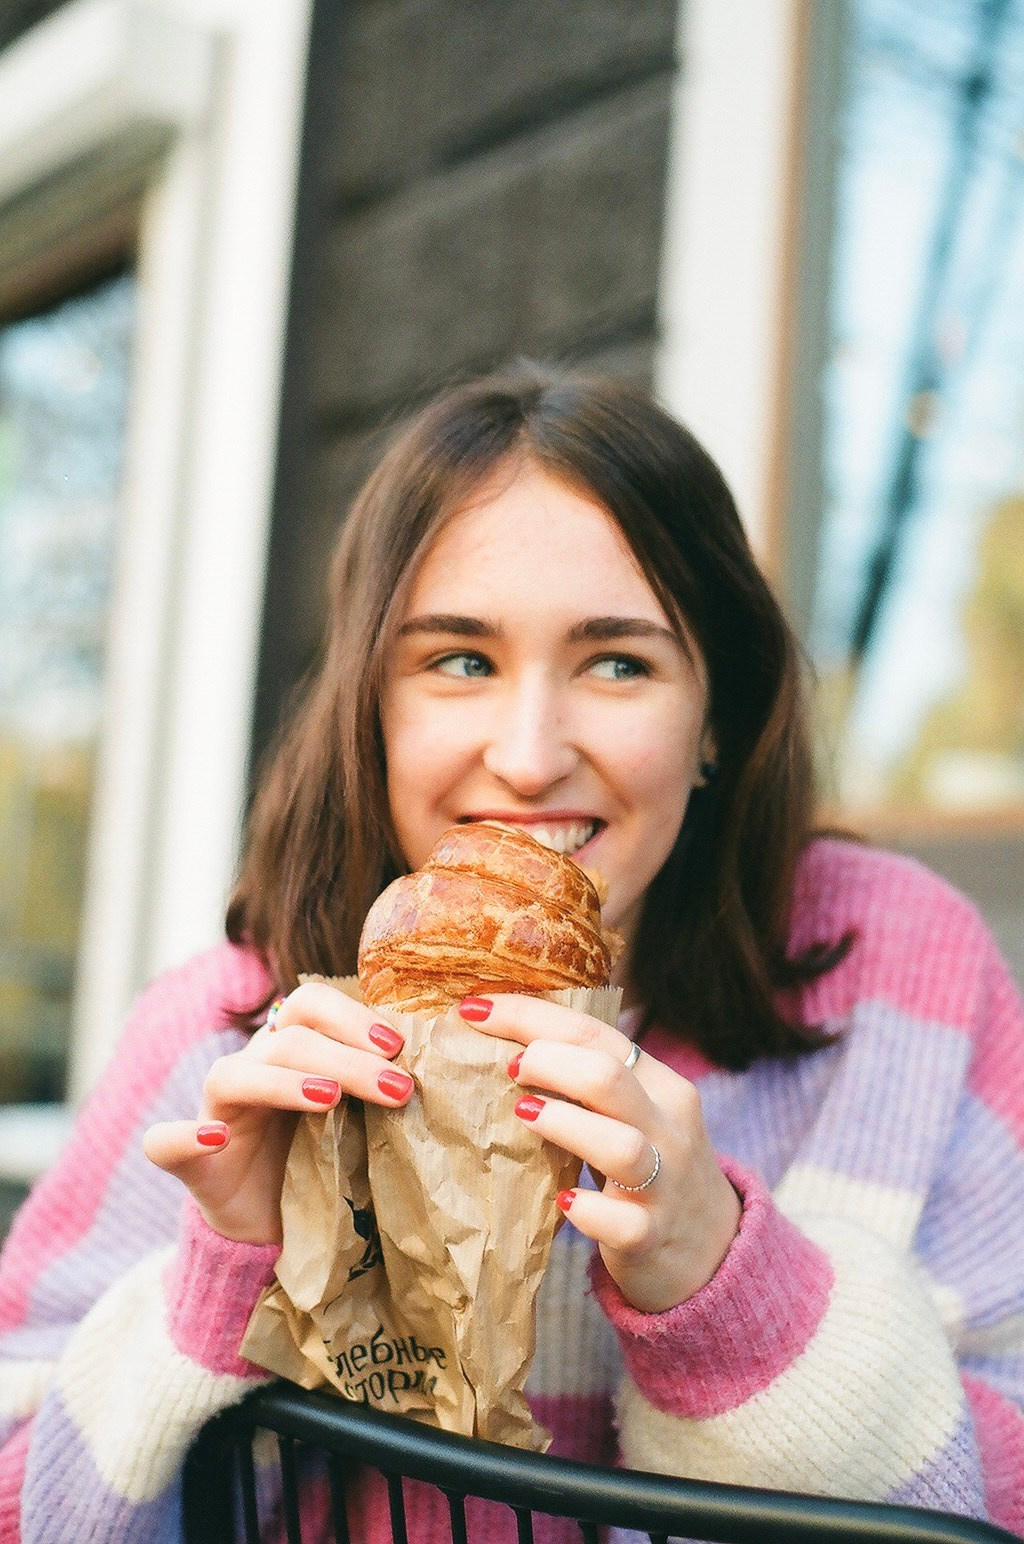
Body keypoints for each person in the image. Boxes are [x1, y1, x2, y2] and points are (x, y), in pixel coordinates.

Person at [0, 367, 1021, 1543]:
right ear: (373, 708)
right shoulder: (232, 1030)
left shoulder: (901, 978)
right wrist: (232, 1276)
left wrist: (728, 1287)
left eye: (618, 662)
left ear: (717, 716)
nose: (529, 758)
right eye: (461, 660)